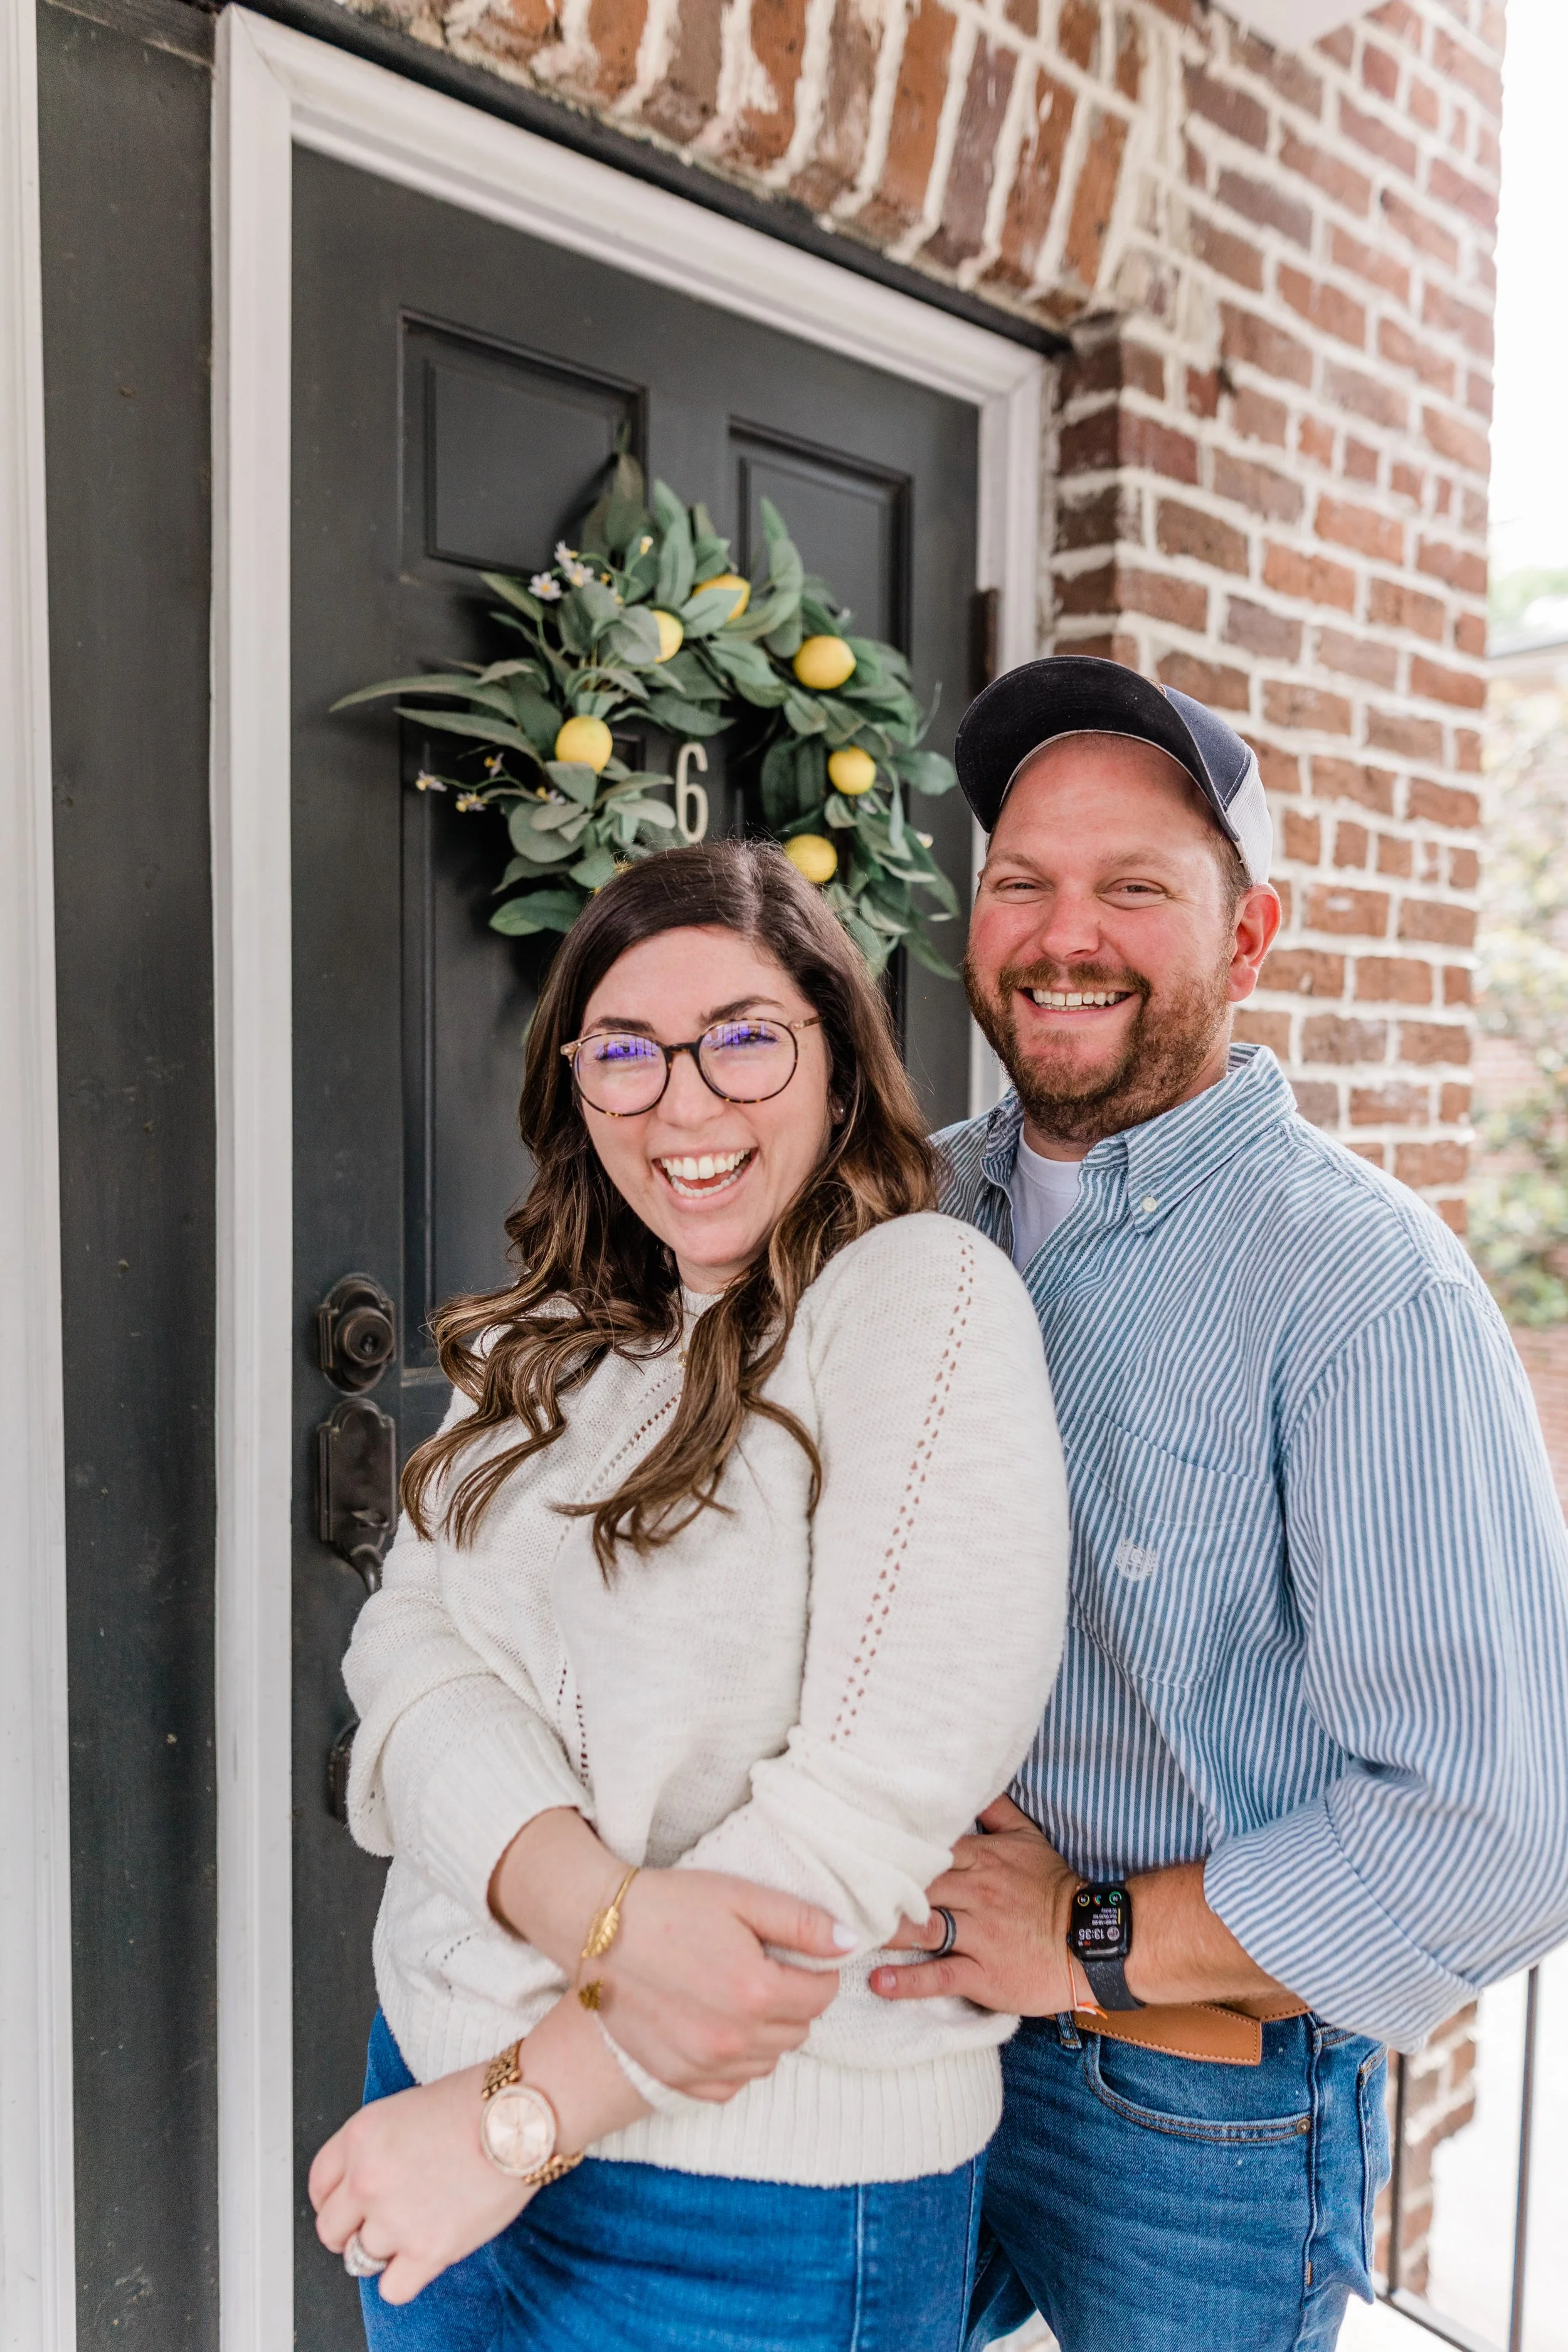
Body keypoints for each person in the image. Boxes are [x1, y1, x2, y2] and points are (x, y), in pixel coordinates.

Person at [866, 654, 1568, 2352]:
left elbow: (1497, 1826)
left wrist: (1083, 1933)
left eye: (1134, 887)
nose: (1061, 931)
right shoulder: (905, 1210)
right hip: (891, 2020)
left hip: (1186, 2104)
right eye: (1021, 880)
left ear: (1244, 938)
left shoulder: (1356, 1286)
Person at [309, 839, 1070, 2351]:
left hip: (746, 2212)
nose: (683, 1101)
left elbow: (855, 1815)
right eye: (625, 1053)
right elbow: (403, 1657)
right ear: (575, 1090)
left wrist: (517, 2120)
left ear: (837, 1066)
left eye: (741, 1039)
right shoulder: (540, 1337)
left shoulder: (914, 1299)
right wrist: (608, 1923)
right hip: (438, 2096)